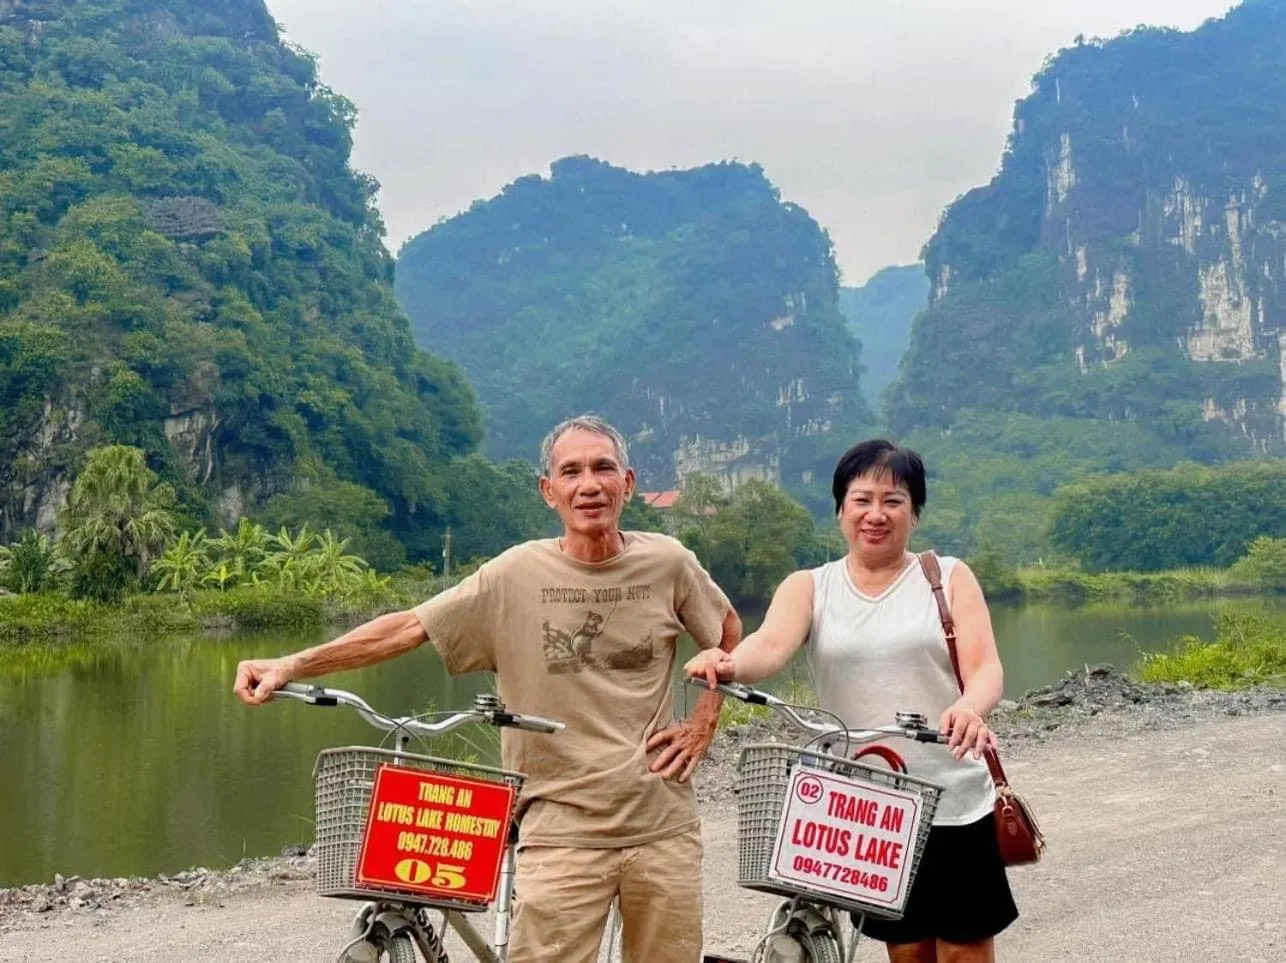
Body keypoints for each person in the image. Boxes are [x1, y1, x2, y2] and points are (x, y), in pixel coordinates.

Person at [234, 414, 740, 963]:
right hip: (559, 829)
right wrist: (294, 663)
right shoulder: (513, 574)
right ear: (549, 491)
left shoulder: (668, 562)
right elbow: (409, 627)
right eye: (571, 472)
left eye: (603, 468)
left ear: (629, 482)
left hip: (662, 826)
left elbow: (726, 632)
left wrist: (704, 719)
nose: (589, 485)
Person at [684, 438, 1017, 963]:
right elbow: (769, 644)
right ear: (840, 509)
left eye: (893, 501)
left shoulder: (948, 577)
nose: (876, 514)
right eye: (862, 500)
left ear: (914, 513)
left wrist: (969, 708)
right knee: (907, 952)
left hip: (953, 794)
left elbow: (986, 669)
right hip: (871, 807)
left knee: (963, 950)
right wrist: (728, 663)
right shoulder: (811, 587)